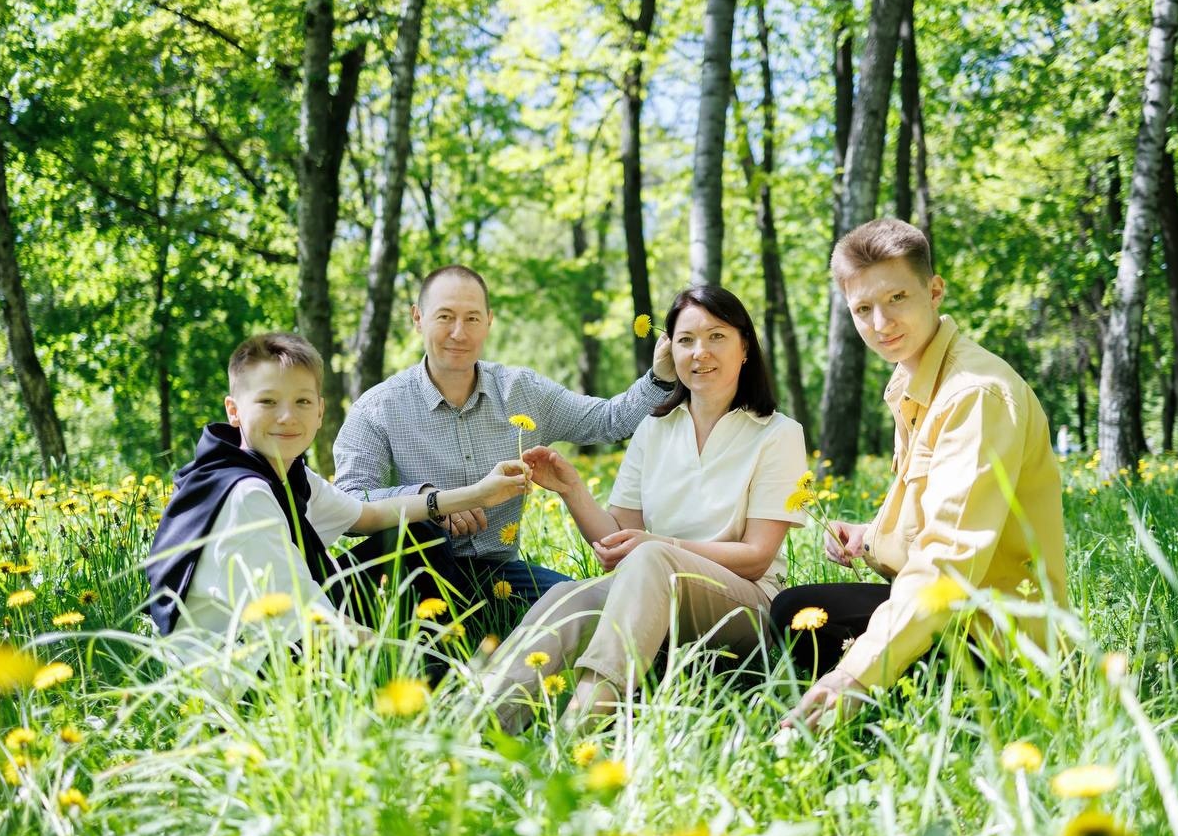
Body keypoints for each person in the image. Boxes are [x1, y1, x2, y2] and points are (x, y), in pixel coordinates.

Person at [771, 218, 1067, 728]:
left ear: (933, 292)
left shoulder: (974, 394)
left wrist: (855, 675)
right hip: (953, 614)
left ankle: (905, 705)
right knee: (795, 610)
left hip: (995, 638)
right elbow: (934, 512)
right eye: (863, 309)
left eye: (897, 298)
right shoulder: (914, 381)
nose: (881, 322)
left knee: (807, 624)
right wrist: (868, 538)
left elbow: (948, 561)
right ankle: (888, 698)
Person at [482, 286, 808, 731]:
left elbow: (756, 558)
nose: (700, 352)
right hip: (651, 589)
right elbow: (619, 542)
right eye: (686, 340)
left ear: (745, 347)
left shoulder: (777, 433)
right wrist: (572, 490)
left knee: (652, 558)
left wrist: (659, 546)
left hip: (746, 606)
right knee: (568, 597)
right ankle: (472, 729)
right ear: (671, 351)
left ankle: (579, 733)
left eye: (716, 336)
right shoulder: (654, 429)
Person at [144, 332, 530, 689]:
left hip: (283, 635)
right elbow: (318, 624)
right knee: (410, 604)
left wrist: (476, 495)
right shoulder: (246, 495)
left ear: (319, 411)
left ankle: (441, 673)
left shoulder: (281, 472)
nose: (287, 416)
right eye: (267, 401)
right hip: (244, 678)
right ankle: (444, 692)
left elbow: (368, 515)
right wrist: (410, 661)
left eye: (302, 401)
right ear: (234, 410)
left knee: (418, 537)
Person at [333, 264, 677, 609]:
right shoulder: (378, 408)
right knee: (423, 542)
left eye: (472, 318)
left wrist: (660, 376)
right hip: (413, 573)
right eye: (445, 317)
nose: (459, 333)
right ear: (418, 318)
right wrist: (430, 500)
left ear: (489, 321)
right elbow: (348, 504)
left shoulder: (522, 391)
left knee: (590, 609)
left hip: (498, 574)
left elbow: (609, 421)